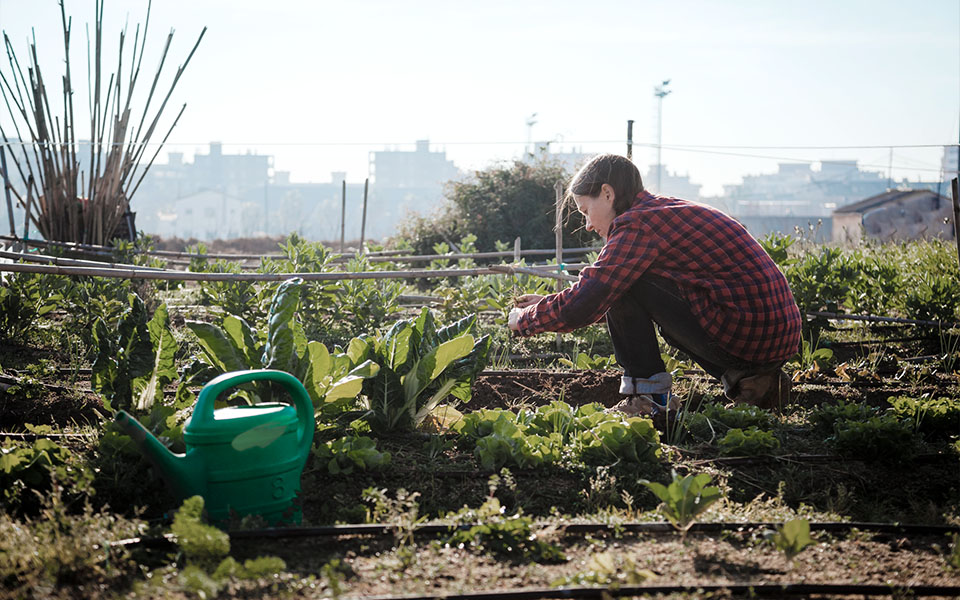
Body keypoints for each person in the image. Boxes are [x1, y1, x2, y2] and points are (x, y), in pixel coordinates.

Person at [508, 154, 802, 416]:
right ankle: (758, 382)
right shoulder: (660, 213)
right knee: (618, 282)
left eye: (585, 210)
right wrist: (548, 303)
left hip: (749, 332)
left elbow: (588, 301)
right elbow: (595, 299)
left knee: (621, 284)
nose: (586, 224)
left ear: (607, 194)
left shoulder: (638, 224)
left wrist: (525, 320)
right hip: (774, 335)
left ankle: (649, 397)